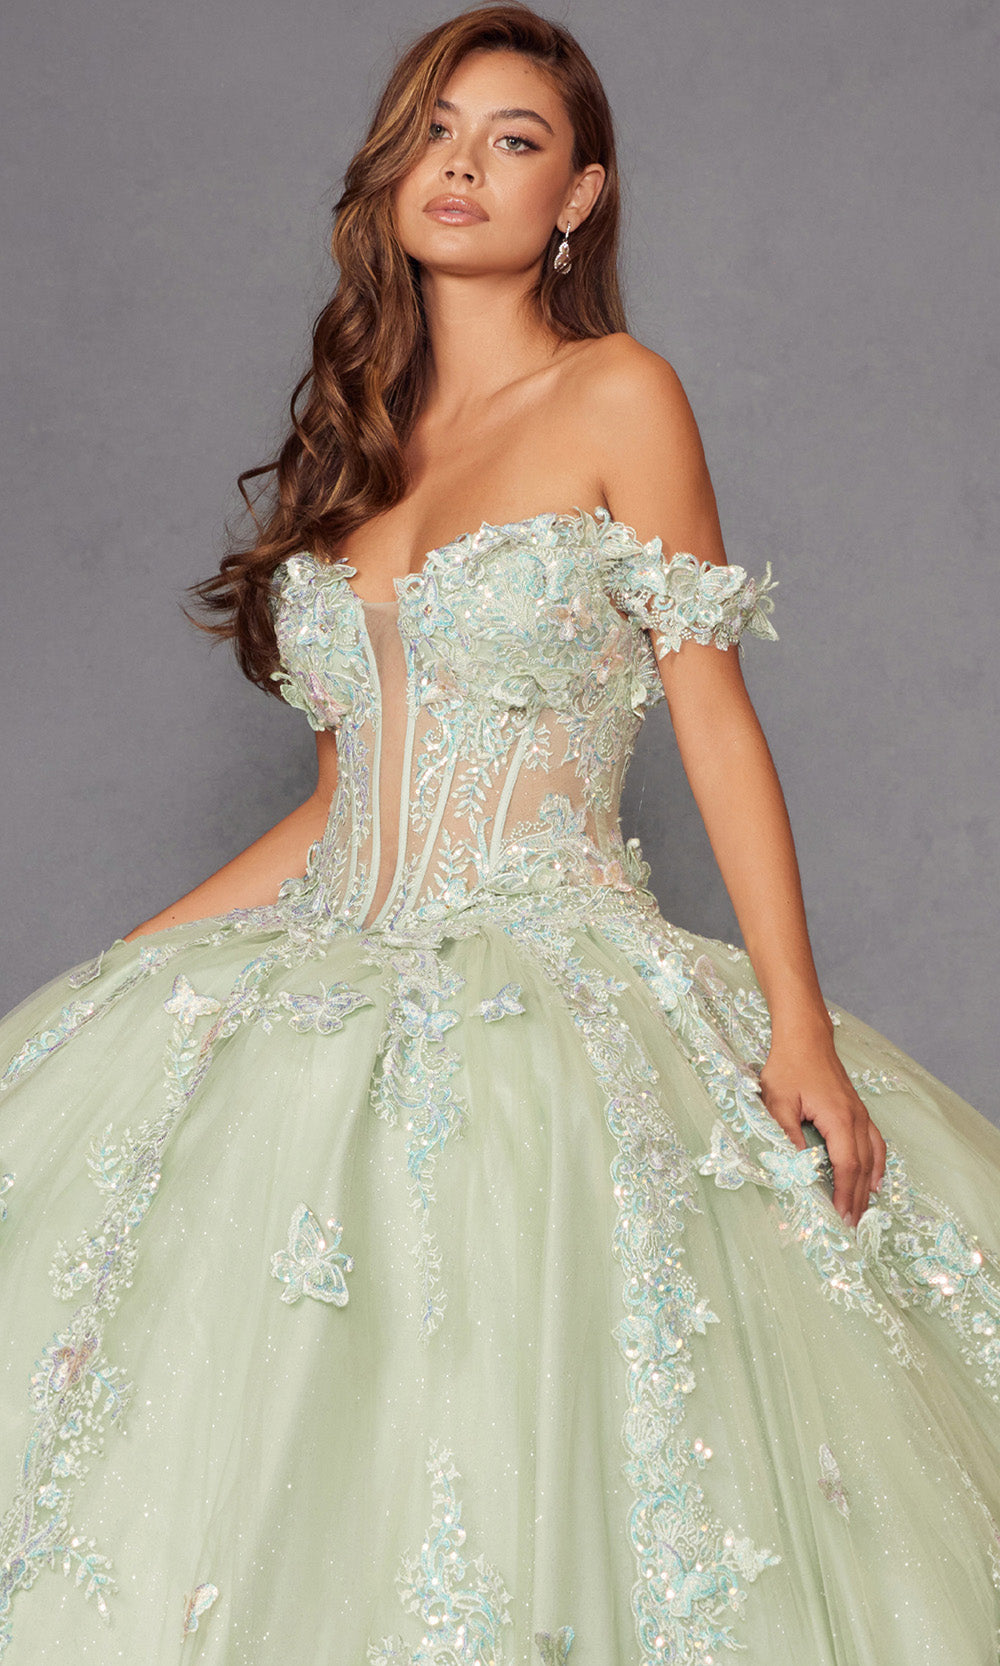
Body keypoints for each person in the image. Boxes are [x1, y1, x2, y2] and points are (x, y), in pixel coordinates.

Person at [2, 4, 999, 1660]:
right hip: (326, 975)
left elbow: (712, 714)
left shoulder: (620, 394)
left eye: (513, 139)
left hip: (551, 1000)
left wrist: (798, 1025)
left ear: (578, 197)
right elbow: (343, 806)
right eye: (436, 130)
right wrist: (125, 973)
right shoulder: (358, 442)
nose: (461, 165)